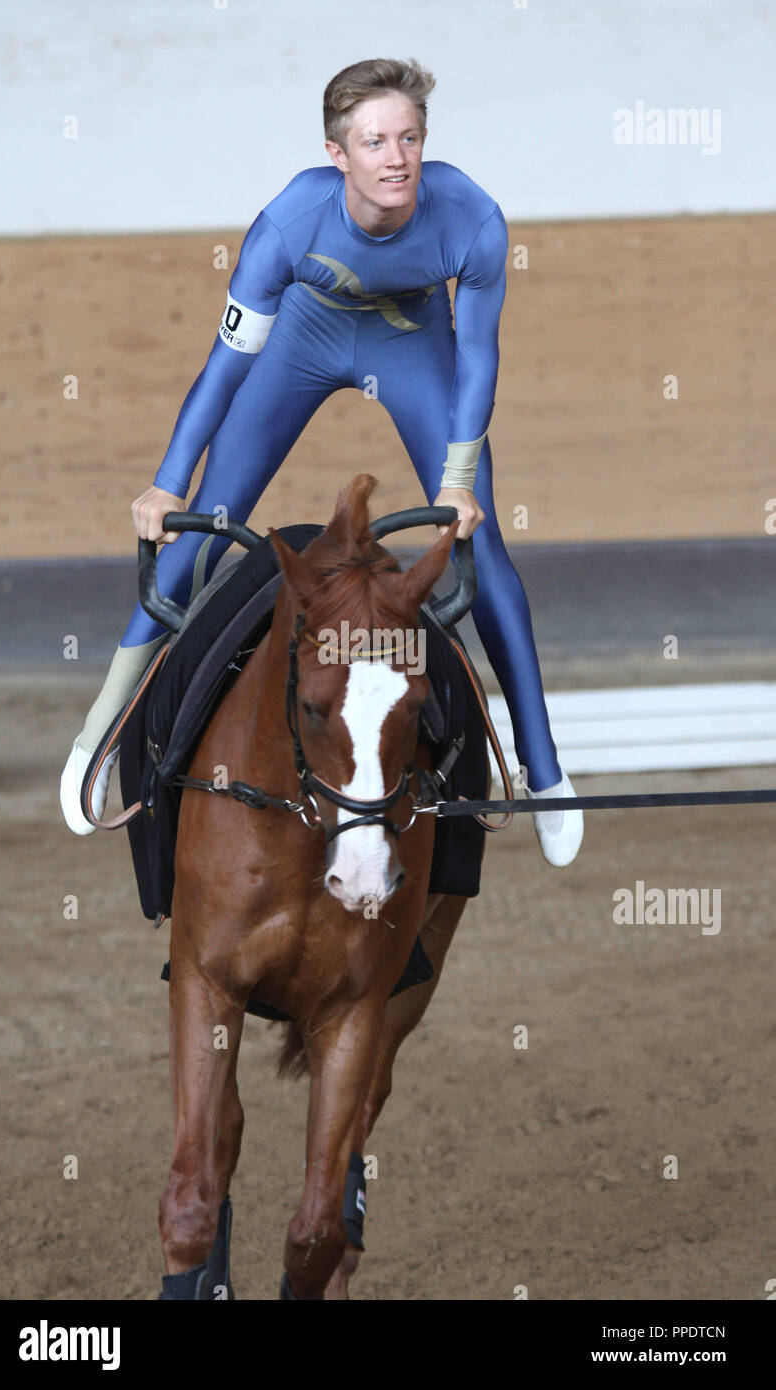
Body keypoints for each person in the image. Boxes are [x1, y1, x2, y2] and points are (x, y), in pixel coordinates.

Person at [60, 56, 583, 867]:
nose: (397, 158)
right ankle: (99, 734)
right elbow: (225, 366)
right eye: (374, 142)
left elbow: (478, 356)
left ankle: (544, 771)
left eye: (409, 137)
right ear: (337, 154)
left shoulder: (472, 217)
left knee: (481, 542)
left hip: (412, 343)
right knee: (206, 521)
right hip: (301, 339)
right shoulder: (289, 223)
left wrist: (456, 481)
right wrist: (166, 482)